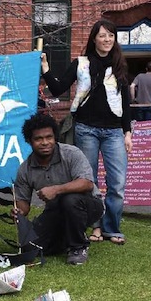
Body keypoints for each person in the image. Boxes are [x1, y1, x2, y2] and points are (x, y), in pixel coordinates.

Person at [41, 19, 131, 245]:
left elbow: (126, 100)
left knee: (117, 183)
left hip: (113, 131)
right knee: (88, 182)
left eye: (111, 35)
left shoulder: (119, 64)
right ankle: (96, 227)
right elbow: (58, 88)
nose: (107, 39)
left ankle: (112, 228)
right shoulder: (81, 63)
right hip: (86, 129)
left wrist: (127, 132)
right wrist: (45, 67)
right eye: (102, 35)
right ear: (94, 39)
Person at [13, 113, 105, 265]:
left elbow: (87, 183)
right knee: (30, 247)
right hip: (56, 211)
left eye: (49, 137)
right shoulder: (25, 169)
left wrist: (56, 189)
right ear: (29, 141)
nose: (45, 142)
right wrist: (19, 211)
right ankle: (65, 238)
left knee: (70, 199)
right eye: (38, 139)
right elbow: (23, 204)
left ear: (55, 137)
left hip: (89, 205)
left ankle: (78, 247)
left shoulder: (71, 153)